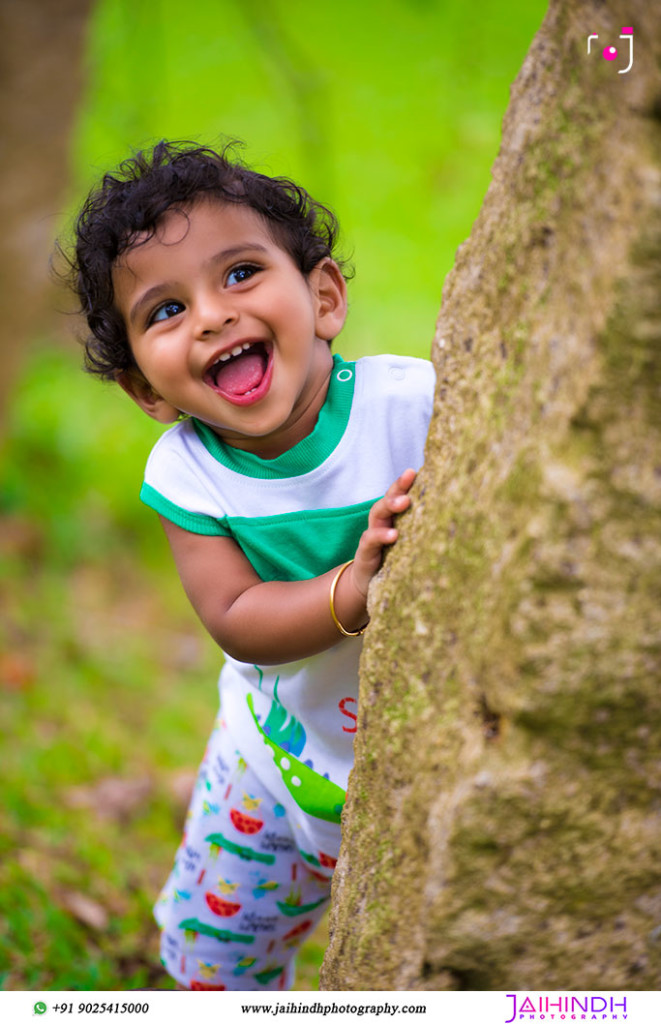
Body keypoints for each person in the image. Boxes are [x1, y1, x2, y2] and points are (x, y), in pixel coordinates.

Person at [66, 140, 435, 991]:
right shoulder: (187, 475)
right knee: (212, 966)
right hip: (270, 768)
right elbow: (235, 618)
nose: (209, 315)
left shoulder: (410, 405)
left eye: (238, 274)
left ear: (323, 295)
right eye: (164, 311)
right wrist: (354, 586)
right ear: (146, 392)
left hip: (417, 758)